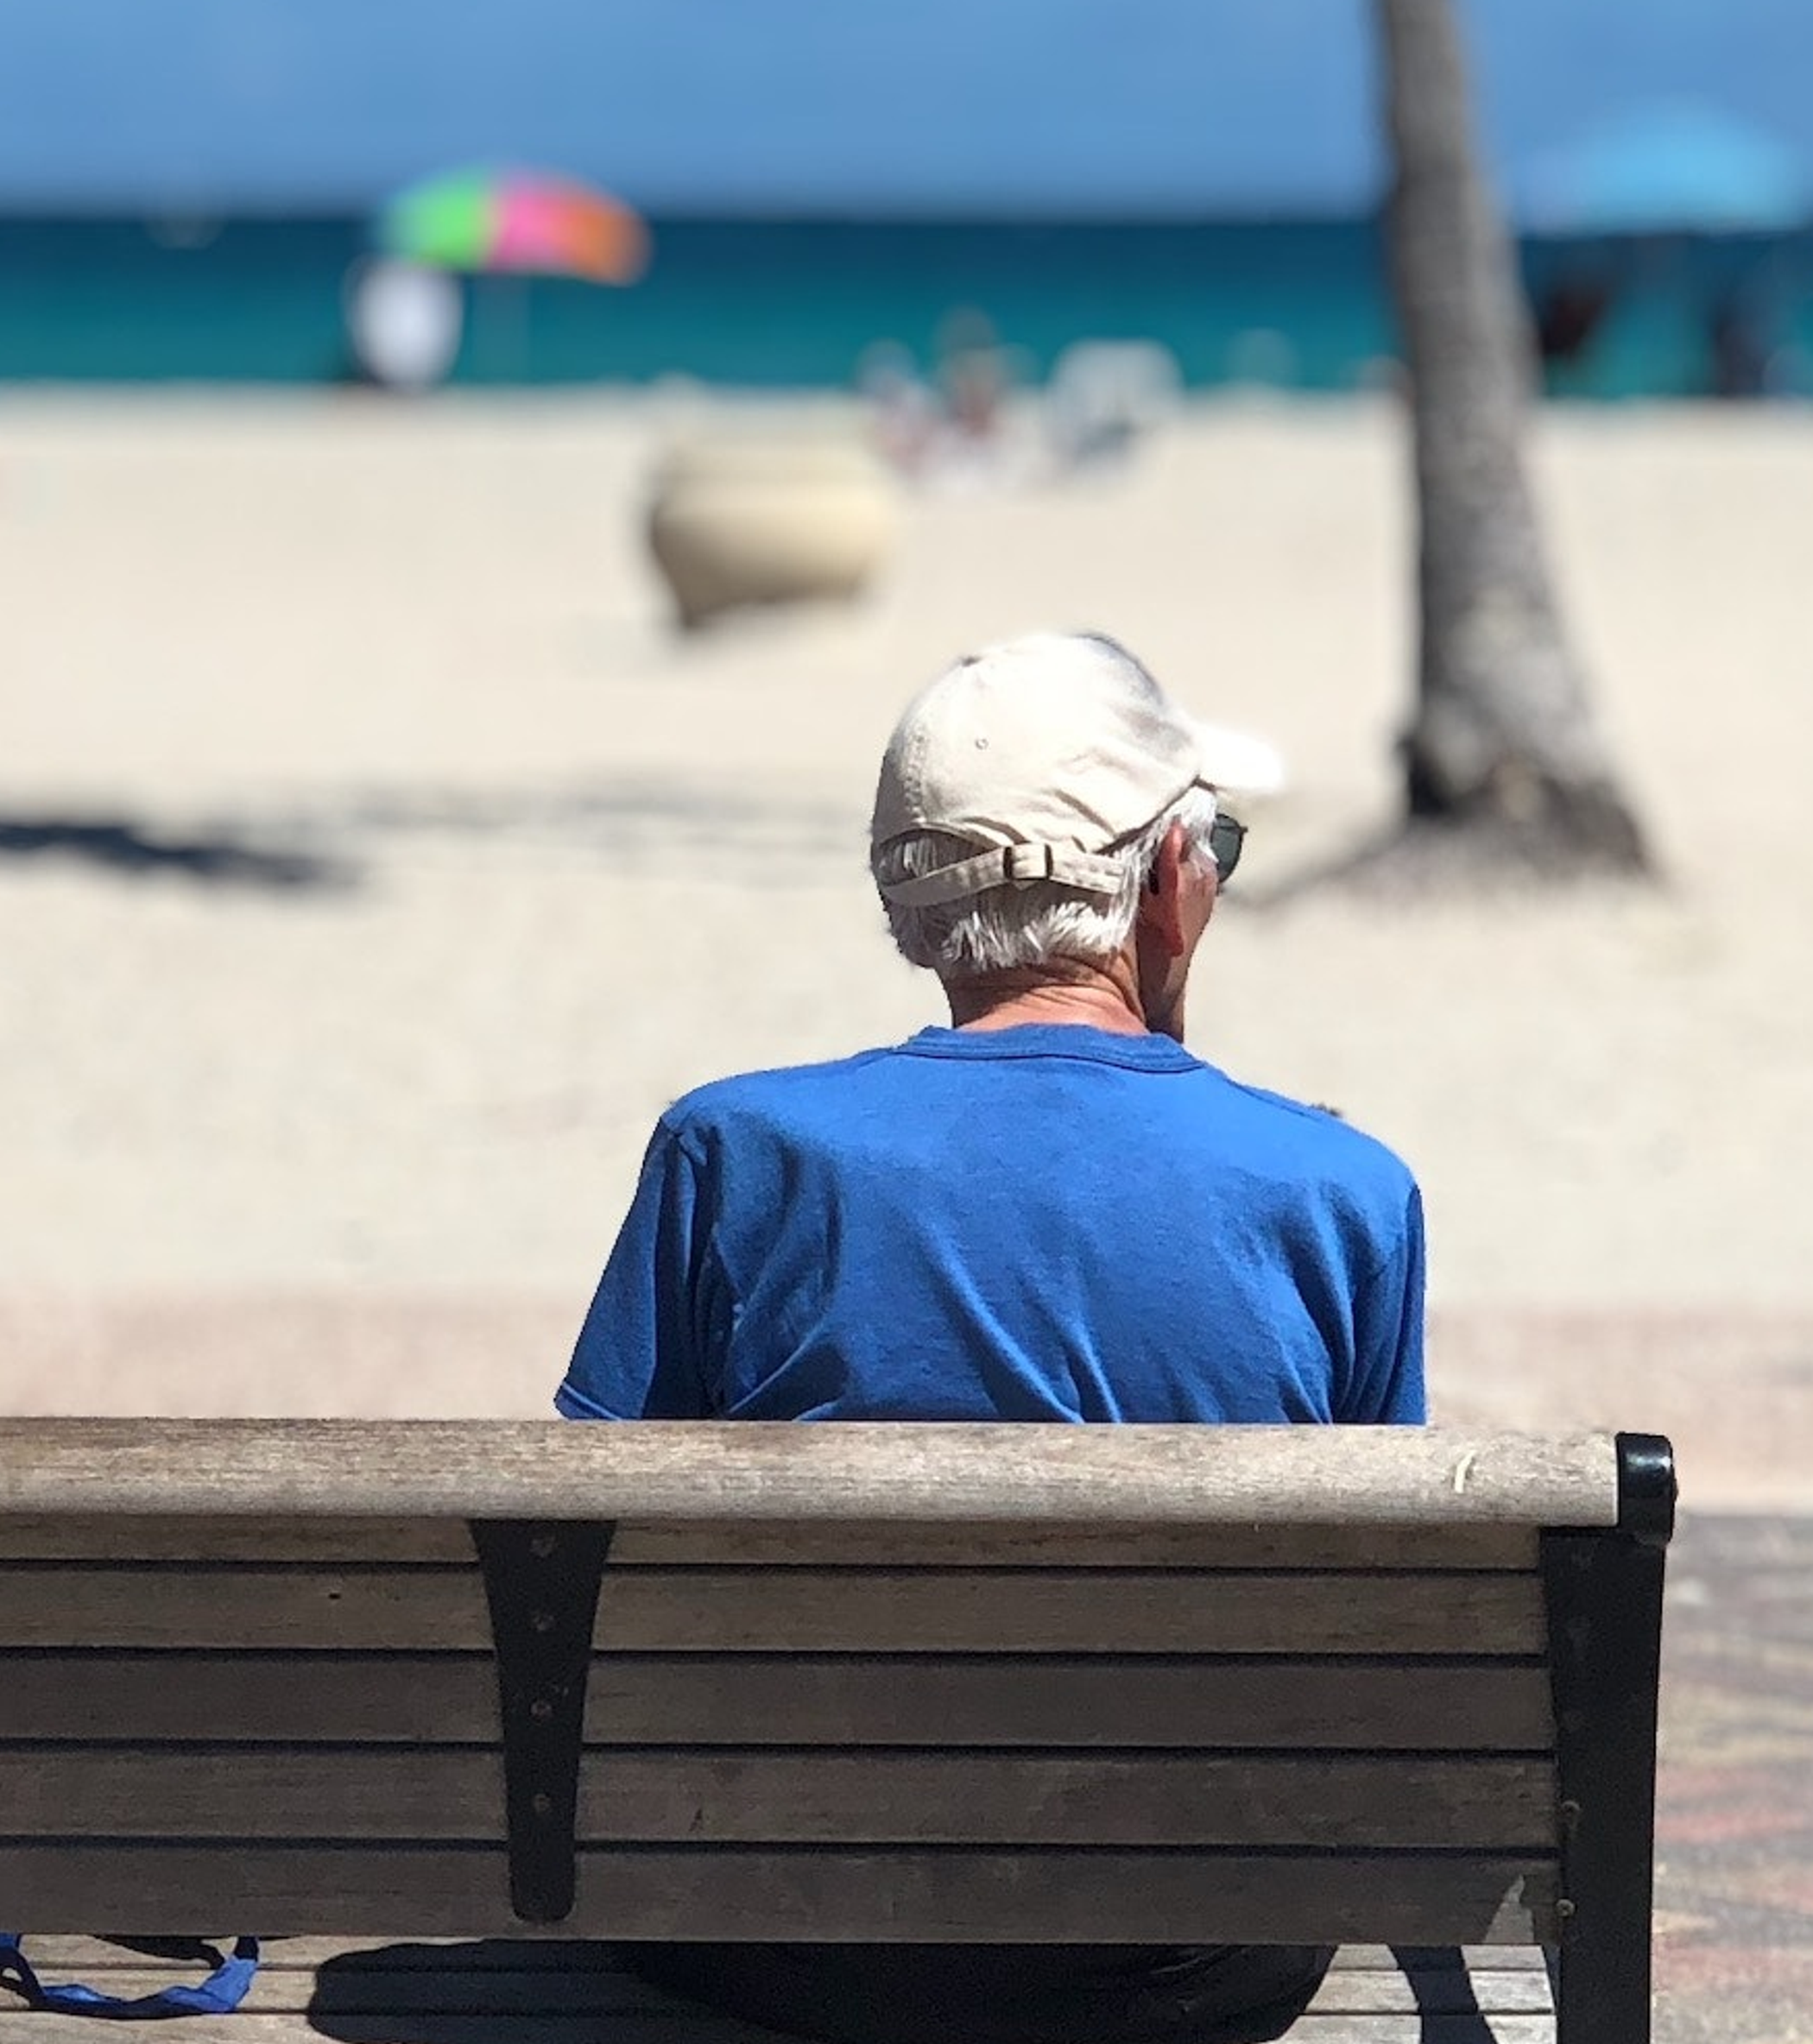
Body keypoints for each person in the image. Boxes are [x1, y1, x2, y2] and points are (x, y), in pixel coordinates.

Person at [558, 632, 1424, 2044]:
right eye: (1217, 849)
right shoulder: (1338, 1196)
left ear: (910, 908)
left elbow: (587, 1566)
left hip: (776, 1934)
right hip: (1196, 1955)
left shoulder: (735, 1150)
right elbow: (1390, 1624)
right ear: (1164, 883)